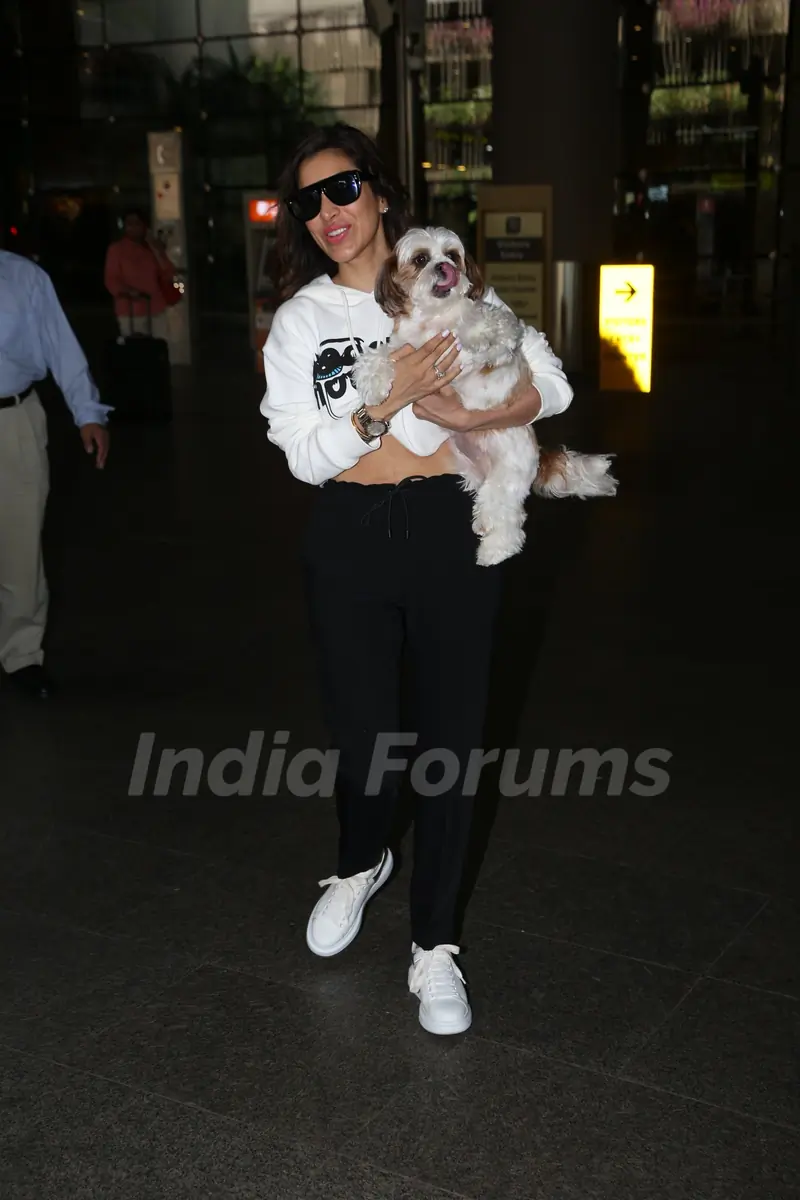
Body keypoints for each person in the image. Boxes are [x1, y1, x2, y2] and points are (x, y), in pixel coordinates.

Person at [260, 123, 573, 1035]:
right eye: (308, 200)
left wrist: (490, 401)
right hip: (349, 533)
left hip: (447, 526)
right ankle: (361, 863)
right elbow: (303, 458)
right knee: (365, 740)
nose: (330, 212)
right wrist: (386, 401)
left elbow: (547, 384)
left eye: (345, 188)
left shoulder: (447, 278)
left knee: (452, 745)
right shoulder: (301, 321)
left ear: (381, 194)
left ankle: (434, 945)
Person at [0, 247, 110, 700]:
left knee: (20, 546)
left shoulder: (23, 278)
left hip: (12, 421)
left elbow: (60, 345)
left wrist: (88, 413)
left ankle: (21, 656)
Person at [103, 208, 176, 341]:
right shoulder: (117, 250)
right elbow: (111, 279)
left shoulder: (151, 248)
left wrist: (157, 250)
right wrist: (128, 291)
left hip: (156, 307)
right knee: (135, 350)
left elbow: (168, 273)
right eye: (129, 224)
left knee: (159, 347)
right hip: (130, 310)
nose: (133, 228)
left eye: (137, 223)